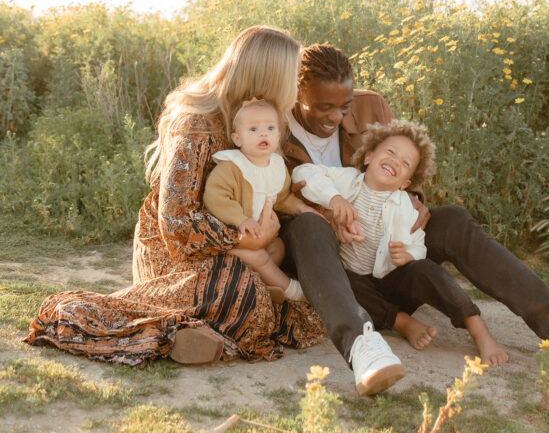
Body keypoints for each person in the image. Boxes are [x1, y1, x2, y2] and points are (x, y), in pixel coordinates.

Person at [278, 43, 549, 380]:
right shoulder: (274, 127)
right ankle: (362, 346)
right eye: (323, 107)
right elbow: (272, 202)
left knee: (453, 218)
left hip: (390, 261)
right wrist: (331, 216)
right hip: (335, 276)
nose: (336, 118)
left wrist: (415, 202)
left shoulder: (370, 104)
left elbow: (407, 164)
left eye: (343, 108)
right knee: (308, 227)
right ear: (297, 93)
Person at [25, 27, 326, 367]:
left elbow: (279, 186)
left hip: (236, 246)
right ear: (268, 76)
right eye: (290, 77)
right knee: (242, 290)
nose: (294, 88)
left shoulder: (264, 123)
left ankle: (190, 333)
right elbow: (176, 220)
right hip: (175, 250)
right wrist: (247, 240)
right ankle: (163, 328)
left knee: (287, 300)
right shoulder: (197, 123)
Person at [293, 119, 508, 377]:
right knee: (347, 284)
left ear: (406, 183)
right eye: (390, 152)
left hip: (390, 282)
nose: (395, 161)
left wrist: (408, 256)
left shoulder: (405, 205)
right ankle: (403, 323)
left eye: (405, 163)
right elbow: (303, 173)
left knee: (428, 271)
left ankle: (478, 329)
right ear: (369, 156)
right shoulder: (347, 181)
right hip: (354, 286)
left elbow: (418, 244)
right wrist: (334, 198)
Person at [203, 98, 305, 303]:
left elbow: (282, 197)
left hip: (262, 236)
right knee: (258, 257)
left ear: (278, 136)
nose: (263, 133)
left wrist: (299, 207)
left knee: (278, 248)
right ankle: (290, 291)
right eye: (253, 129)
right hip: (235, 240)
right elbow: (215, 197)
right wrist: (241, 220)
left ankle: (259, 285)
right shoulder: (232, 167)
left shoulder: (276, 166)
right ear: (237, 139)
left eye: (270, 128)